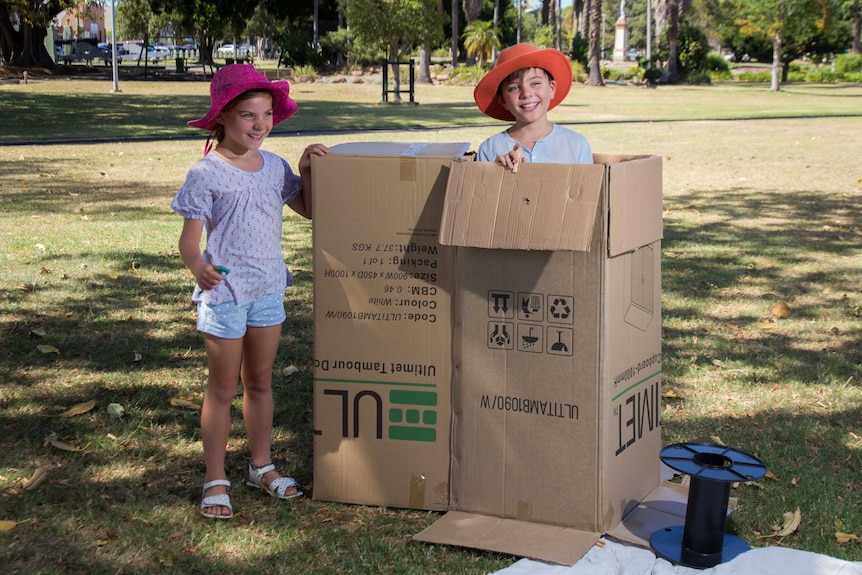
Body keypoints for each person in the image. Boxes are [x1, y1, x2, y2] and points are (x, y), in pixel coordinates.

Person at [171, 64, 329, 520]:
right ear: (222, 116)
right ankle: (215, 478)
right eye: (247, 115)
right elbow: (189, 240)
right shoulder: (207, 173)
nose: (259, 124)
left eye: (266, 115)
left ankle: (261, 466)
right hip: (226, 296)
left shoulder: (275, 167)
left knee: (259, 381)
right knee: (222, 388)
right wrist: (198, 266)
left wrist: (304, 168)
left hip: (268, 290)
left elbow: (312, 210)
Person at [474, 43, 592, 168]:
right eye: (514, 88)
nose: (526, 94)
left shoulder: (577, 145)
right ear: (503, 100)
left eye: (535, 83)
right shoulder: (490, 149)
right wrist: (495, 171)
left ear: (551, 89)